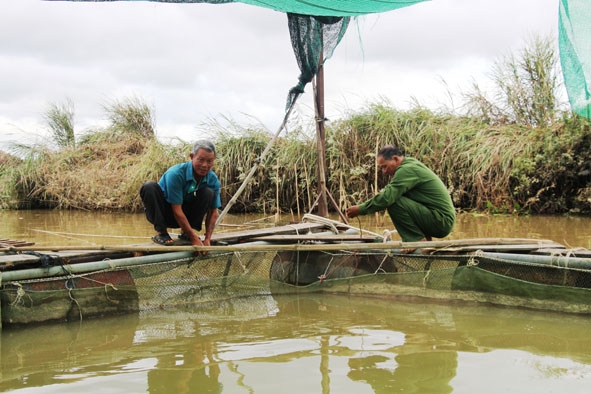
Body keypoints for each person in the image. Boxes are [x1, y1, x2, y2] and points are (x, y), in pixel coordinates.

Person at [346, 145, 455, 242]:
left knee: (393, 201)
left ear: (395, 159)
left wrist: (361, 209)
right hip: (440, 220)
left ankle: (416, 240)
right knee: (397, 197)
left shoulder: (407, 169)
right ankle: (423, 239)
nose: (384, 171)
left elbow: (387, 197)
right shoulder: (409, 164)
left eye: (385, 166)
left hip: (442, 221)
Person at [140, 140, 221, 250]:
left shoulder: (212, 179)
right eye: (201, 160)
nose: (205, 165)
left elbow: (214, 212)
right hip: (165, 213)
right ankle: (162, 233)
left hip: (184, 215)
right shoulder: (176, 174)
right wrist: (194, 238)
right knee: (149, 186)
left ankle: (186, 233)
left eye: (209, 161)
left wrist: (207, 239)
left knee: (208, 192)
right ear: (192, 157)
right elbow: (176, 210)